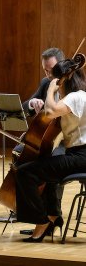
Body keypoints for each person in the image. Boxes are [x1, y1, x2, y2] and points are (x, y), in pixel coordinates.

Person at [15, 57, 86, 242]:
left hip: (81, 156)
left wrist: (51, 89)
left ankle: (42, 221)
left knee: (25, 173)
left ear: (63, 79)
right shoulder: (79, 96)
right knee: (44, 170)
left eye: (57, 80)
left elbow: (50, 111)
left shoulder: (75, 96)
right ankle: (53, 216)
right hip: (78, 155)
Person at [13, 48, 66, 235]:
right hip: (46, 137)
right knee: (19, 151)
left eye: (52, 69)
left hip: (67, 141)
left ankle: (52, 216)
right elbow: (26, 105)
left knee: (50, 160)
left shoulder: (74, 86)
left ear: (62, 65)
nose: (49, 74)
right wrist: (32, 104)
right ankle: (30, 211)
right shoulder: (46, 83)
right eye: (45, 70)